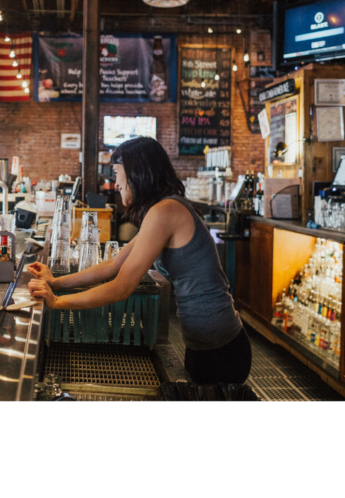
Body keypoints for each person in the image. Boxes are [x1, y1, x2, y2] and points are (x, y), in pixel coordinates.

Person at [28, 137, 251, 386]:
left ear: (137, 173)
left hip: (221, 348)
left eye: (117, 173)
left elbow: (121, 287)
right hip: (204, 342)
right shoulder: (162, 210)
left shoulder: (165, 211)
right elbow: (113, 265)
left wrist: (57, 302)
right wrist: (55, 282)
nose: (115, 183)